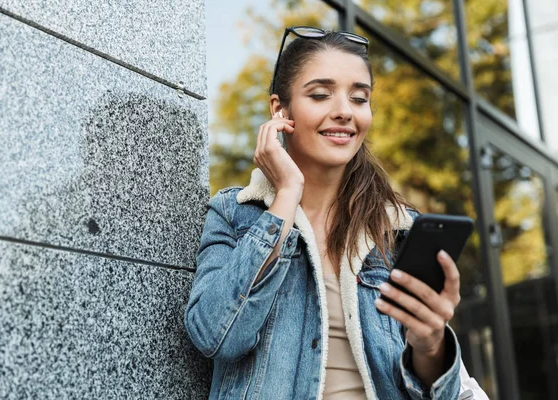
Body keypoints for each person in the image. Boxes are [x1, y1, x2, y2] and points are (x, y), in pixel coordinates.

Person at [185, 26, 482, 399]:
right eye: (321, 94)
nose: (344, 111)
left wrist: (432, 344)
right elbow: (215, 336)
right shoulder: (234, 213)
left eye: (359, 98)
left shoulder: (397, 230)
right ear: (280, 110)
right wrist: (286, 197)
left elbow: (435, 391)